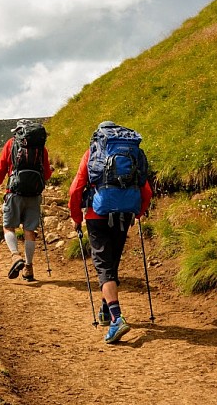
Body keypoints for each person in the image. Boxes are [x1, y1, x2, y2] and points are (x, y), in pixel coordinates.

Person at [68, 121, 152, 343]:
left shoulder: (92, 153)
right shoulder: (133, 153)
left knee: (104, 267)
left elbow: (76, 187)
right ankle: (106, 310)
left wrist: (76, 217)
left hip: (97, 215)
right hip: (125, 214)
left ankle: (116, 319)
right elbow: (146, 189)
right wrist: (138, 213)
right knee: (112, 263)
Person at [0, 119, 52, 282]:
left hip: (14, 191)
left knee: (8, 227)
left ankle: (15, 256)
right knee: (29, 231)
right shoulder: (41, 148)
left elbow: (2, 165)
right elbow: (46, 173)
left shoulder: (12, 143)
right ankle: (28, 267)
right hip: (34, 193)